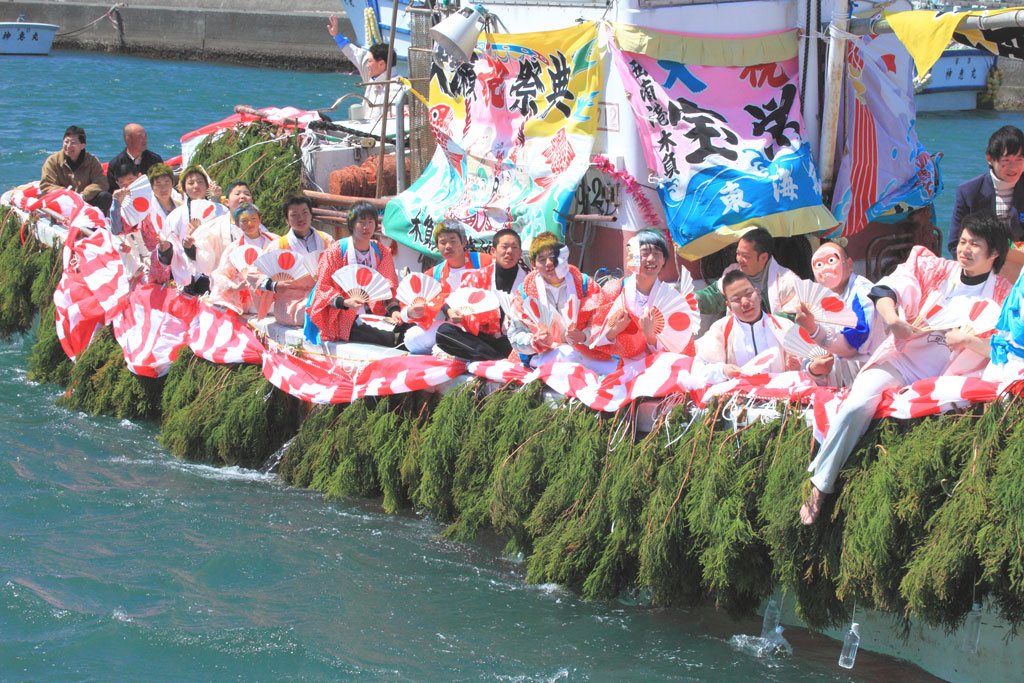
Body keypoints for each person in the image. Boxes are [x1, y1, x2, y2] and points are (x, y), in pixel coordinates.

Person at [802, 212, 1012, 525]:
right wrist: (894, 321)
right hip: (902, 359)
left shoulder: (1003, 294)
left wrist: (968, 340)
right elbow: (890, 289)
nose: (964, 249)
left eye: (975, 245)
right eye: (963, 241)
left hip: (947, 378)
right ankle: (822, 483)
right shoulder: (939, 269)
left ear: (994, 253)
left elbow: (1004, 350)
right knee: (858, 403)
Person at [508, 232, 614, 373]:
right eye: (542, 259)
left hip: (585, 350)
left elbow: (603, 320)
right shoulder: (525, 293)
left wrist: (584, 336)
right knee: (567, 357)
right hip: (542, 355)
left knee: (617, 369)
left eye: (553, 257)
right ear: (533, 264)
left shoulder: (584, 284)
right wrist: (534, 341)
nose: (549, 264)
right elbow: (515, 333)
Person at [791, 240, 885, 386]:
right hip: (837, 390)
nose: (825, 269)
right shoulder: (816, 302)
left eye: (831, 261)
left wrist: (814, 330)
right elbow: (807, 356)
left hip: (872, 383)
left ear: (849, 263)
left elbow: (856, 344)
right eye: (819, 265)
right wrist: (813, 369)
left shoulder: (863, 293)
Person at [307, 201, 400, 345]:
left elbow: (387, 285)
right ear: (351, 225)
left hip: (375, 312)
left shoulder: (381, 251)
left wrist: (394, 310)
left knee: (405, 330)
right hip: (343, 315)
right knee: (386, 338)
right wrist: (344, 302)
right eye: (361, 222)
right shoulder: (336, 251)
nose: (366, 227)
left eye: (370, 221)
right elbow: (323, 287)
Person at [593, 230, 695, 360]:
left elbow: (681, 347)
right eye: (644, 254)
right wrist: (614, 330)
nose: (651, 259)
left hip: (660, 365)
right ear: (633, 258)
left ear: (664, 260)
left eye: (657, 254)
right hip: (622, 363)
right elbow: (595, 338)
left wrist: (650, 336)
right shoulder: (614, 290)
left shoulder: (672, 299)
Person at [434, 228, 529, 362]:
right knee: (444, 332)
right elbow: (451, 301)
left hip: (514, 341)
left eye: (514, 247)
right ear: (493, 251)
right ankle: (497, 359)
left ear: (520, 253)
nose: (509, 252)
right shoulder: (479, 276)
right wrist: (450, 311)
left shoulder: (529, 282)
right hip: (484, 339)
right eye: (505, 247)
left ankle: (489, 357)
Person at [403, 222, 492, 354]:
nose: (448, 246)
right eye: (443, 242)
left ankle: (451, 348)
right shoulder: (434, 273)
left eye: (453, 241)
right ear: (437, 246)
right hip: (453, 327)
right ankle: (449, 348)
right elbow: (410, 308)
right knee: (411, 338)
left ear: (463, 242)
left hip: (486, 326)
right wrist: (410, 312)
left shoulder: (484, 262)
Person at [694, 269, 795, 384]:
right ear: (729, 306)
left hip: (780, 395)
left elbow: (807, 364)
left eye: (748, 294)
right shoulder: (721, 329)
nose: (745, 303)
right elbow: (698, 369)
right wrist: (722, 370)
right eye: (736, 299)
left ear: (757, 294)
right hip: (738, 398)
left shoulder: (784, 326)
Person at [694, 227, 802, 325]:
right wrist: (688, 301)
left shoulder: (789, 281)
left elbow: (794, 318)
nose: (739, 259)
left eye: (745, 256)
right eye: (738, 253)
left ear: (763, 257)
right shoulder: (733, 272)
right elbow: (712, 296)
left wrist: (756, 324)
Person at [261, 195, 336, 327]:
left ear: (311, 215)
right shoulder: (279, 246)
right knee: (315, 314)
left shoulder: (326, 240)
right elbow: (255, 274)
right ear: (287, 220)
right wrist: (274, 286)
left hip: (324, 296)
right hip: (291, 302)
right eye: (294, 215)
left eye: (304, 213)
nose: (301, 218)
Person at [949, 125, 1024, 251]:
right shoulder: (968, 192)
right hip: (981, 263)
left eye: (1019, 160)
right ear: (989, 159)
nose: (1013, 167)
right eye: (1006, 161)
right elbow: (955, 243)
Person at [156, 165, 226, 294]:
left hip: (216, 273)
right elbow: (167, 257)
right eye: (191, 183)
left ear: (207, 186)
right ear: (184, 189)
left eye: (200, 182)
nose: (196, 186)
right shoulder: (175, 216)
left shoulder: (221, 211)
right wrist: (164, 249)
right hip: (188, 276)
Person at [325, 15, 401, 121]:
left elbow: (397, 118)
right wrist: (337, 36)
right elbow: (354, 53)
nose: (367, 65)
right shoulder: (373, 77)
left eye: (370, 61)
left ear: (382, 64)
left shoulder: (397, 87)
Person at [207, 203, 277, 316]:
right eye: (244, 221)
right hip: (249, 298)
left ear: (260, 219)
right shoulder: (234, 248)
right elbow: (220, 273)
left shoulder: (275, 240)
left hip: (275, 292)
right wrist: (235, 287)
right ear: (237, 224)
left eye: (253, 219)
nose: (250, 224)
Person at [191, 181, 262, 277]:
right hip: (225, 283)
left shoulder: (260, 228)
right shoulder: (214, 227)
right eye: (237, 194)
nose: (242, 197)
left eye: (247, 194)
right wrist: (189, 245)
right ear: (227, 202)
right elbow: (203, 257)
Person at [40, 125, 111, 214]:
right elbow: (46, 184)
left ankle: (96, 224)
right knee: (43, 196)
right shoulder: (52, 161)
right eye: (66, 142)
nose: (68, 146)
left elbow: (101, 183)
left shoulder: (92, 161)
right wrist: (68, 194)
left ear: (82, 145)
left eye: (73, 143)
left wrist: (83, 195)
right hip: (62, 201)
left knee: (105, 196)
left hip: (84, 201)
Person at [106, 123, 164, 192]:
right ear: (128, 140)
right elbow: (112, 191)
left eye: (145, 136)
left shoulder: (155, 160)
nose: (145, 140)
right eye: (140, 137)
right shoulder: (115, 164)